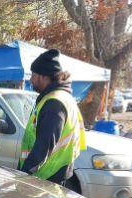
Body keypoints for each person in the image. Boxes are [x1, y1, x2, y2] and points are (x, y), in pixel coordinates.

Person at [19, 49, 86, 186]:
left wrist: (25, 174)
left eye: (33, 75)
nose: (31, 79)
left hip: (45, 176)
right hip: (54, 173)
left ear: (44, 77)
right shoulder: (64, 97)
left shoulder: (54, 103)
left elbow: (45, 144)